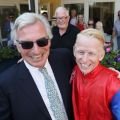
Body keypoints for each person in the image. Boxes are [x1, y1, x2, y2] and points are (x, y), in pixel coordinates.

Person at [0, 12, 74, 120]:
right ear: (17, 46)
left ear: (49, 39)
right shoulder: (5, 83)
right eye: (27, 44)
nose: (36, 51)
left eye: (42, 41)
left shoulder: (64, 57)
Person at [71, 28, 120, 120]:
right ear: (74, 51)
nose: (84, 59)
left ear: (101, 55)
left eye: (91, 53)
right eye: (81, 52)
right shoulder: (75, 70)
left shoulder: (113, 84)